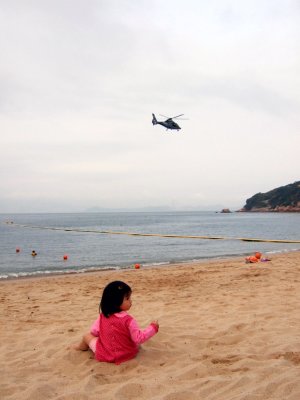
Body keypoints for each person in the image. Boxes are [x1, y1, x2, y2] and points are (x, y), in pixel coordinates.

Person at [73, 280, 159, 364]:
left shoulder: (103, 316)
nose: (130, 301)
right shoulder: (129, 320)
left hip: (105, 355)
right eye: (127, 298)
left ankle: (80, 347)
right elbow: (138, 338)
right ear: (116, 302)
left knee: (86, 336)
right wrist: (153, 328)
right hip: (128, 354)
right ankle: (81, 347)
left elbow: (94, 332)